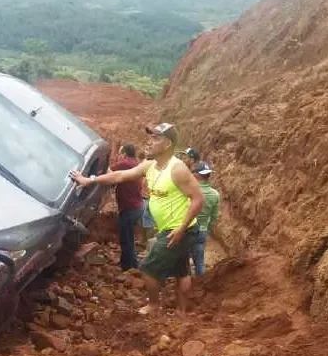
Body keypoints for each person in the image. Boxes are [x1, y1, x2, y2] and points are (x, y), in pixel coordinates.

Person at [70, 123, 204, 316]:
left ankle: (154, 305)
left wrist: (181, 228)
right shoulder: (150, 165)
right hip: (175, 229)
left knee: (148, 268)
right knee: (181, 272)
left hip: (179, 231)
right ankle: (182, 313)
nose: (149, 142)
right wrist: (89, 180)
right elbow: (120, 175)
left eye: (155, 138)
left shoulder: (178, 169)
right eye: (150, 137)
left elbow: (198, 199)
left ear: (167, 144)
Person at [110, 143, 144, 270]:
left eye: (120, 153)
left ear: (124, 153)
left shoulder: (125, 164)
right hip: (137, 207)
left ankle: (127, 267)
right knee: (129, 237)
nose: (119, 156)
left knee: (126, 238)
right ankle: (131, 263)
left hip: (130, 208)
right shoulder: (135, 163)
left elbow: (109, 173)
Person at [190, 161, 221, 276]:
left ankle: (186, 287)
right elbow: (214, 217)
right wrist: (207, 228)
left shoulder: (190, 192)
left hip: (187, 230)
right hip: (202, 230)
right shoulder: (215, 194)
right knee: (199, 262)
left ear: (196, 176)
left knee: (183, 263)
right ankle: (201, 286)